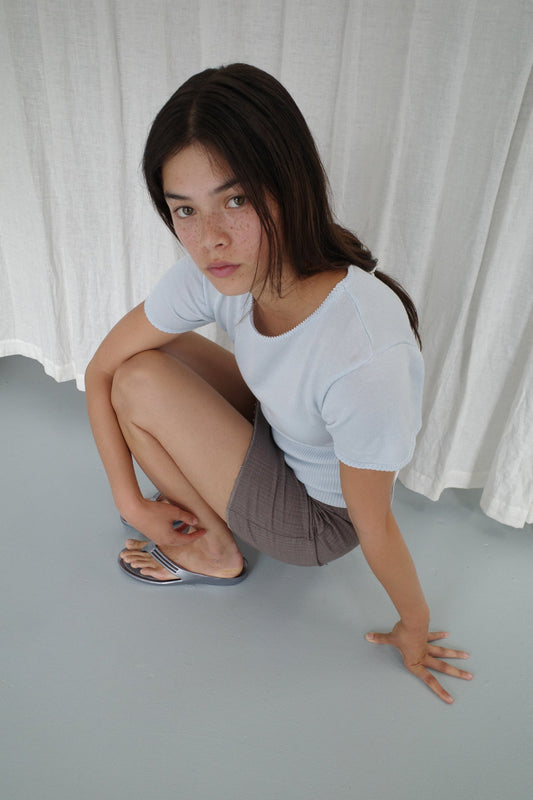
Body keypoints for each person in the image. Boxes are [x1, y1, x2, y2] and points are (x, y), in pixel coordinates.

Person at [85, 63, 472, 703]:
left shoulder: (365, 351)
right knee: (145, 356)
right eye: (185, 210)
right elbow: (100, 365)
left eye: (236, 200)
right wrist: (131, 504)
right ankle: (212, 526)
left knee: (142, 381)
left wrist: (414, 625)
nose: (210, 239)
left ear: (288, 183)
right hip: (279, 430)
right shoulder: (220, 270)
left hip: (317, 518)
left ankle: (215, 552)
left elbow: (373, 523)